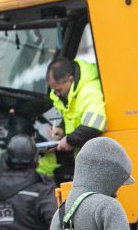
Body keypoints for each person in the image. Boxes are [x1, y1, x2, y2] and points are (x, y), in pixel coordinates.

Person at [38, 57, 107, 185]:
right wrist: (61, 129)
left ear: (70, 79)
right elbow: (72, 115)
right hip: (82, 155)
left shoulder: (89, 92)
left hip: (97, 160)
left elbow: (94, 126)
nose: (56, 94)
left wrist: (69, 140)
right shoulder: (71, 91)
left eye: (58, 90)